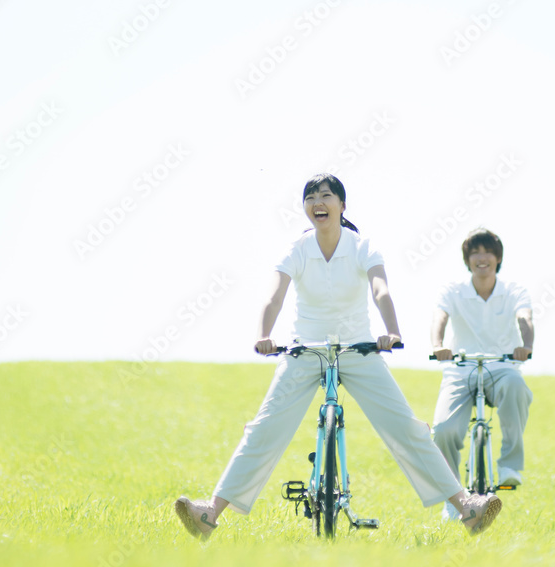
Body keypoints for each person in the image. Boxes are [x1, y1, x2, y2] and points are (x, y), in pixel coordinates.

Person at [174, 175, 503, 539]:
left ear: (342, 206)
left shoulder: (362, 247)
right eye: (310, 197)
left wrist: (391, 331)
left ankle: (466, 508)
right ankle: (210, 513)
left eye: (326, 195)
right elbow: (275, 295)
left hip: (358, 348)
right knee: (265, 427)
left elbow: (380, 290)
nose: (318, 201)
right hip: (305, 349)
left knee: (405, 426)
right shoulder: (297, 248)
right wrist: (263, 335)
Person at [430, 228, 533, 521]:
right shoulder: (453, 291)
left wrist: (526, 345)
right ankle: (453, 497)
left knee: (516, 386)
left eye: (487, 251)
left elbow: (525, 317)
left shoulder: (513, 290)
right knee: (443, 430)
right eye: (475, 252)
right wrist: (437, 345)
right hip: (460, 369)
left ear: (498, 258)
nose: (481, 258)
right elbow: (440, 317)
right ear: (467, 260)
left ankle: (509, 466)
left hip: (501, 367)